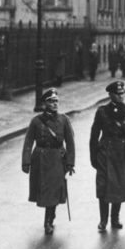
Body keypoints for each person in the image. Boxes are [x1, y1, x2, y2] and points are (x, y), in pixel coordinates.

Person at [89, 81, 125, 231]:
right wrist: (93, 157)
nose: (122, 96)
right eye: (118, 94)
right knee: (103, 186)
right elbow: (94, 136)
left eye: (123, 93)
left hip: (122, 154)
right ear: (111, 95)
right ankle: (103, 220)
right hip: (105, 154)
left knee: (119, 186)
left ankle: (115, 218)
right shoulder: (102, 111)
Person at [22, 88, 75, 234]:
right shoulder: (36, 121)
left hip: (57, 159)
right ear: (44, 103)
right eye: (51, 101)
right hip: (40, 159)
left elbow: (70, 143)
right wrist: (26, 162)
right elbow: (28, 142)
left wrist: (70, 162)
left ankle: (48, 220)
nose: (55, 104)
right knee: (45, 190)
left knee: (54, 190)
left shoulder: (64, 120)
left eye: (56, 101)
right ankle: (49, 216)